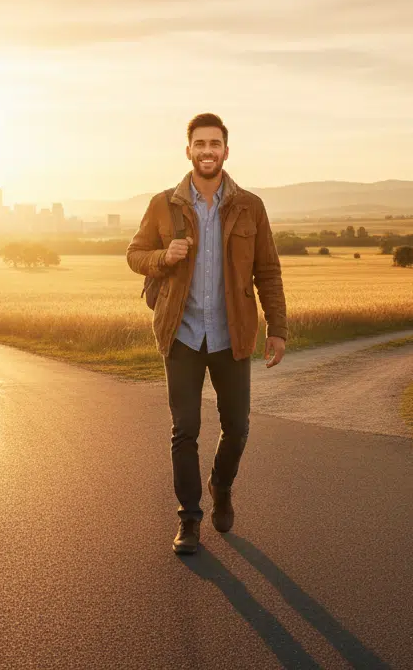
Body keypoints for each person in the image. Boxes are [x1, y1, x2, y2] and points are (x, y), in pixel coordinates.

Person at [126, 112, 288, 555]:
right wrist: (164, 256)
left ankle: (222, 484)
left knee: (237, 426)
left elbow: (268, 271)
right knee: (186, 429)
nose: (207, 151)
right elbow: (135, 254)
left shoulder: (250, 206)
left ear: (226, 151)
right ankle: (189, 518)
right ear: (189, 151)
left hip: (231, 334)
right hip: (182, 333)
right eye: (200, 144)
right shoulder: (164, 204)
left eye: (215, 143)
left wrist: (277, 328)